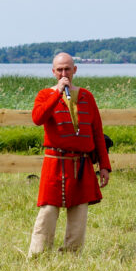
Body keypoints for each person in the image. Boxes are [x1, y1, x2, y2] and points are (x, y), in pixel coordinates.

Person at [28, 52, 110, 257]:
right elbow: (38, 118)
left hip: (81, 164)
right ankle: (38, 256)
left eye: (67, 69)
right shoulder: (45, 95)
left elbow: (97, 133)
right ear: (53, 71)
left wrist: (104, 166)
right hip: (55, 163)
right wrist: (57, 93)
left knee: (79, 214)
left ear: (75, 70)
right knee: (47, 212)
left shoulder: (86, 97)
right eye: (60, 69)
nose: (64, 73)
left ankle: (71, 257)